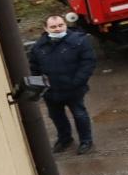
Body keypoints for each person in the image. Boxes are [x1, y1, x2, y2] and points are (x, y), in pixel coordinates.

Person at [28, 14, 98, 155]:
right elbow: (34, 68)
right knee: (56, 116)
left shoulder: (79, 41)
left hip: (74, 89)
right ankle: (65, 139)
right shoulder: (39, 47)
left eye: (61, 25)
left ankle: (86, 141)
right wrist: (41, 86)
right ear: (46, 28)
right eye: (53, 27)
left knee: (79, 115)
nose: (58, 29)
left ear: (65, 25)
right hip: (51, 91)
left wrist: (77, 81)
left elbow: (88, 63)